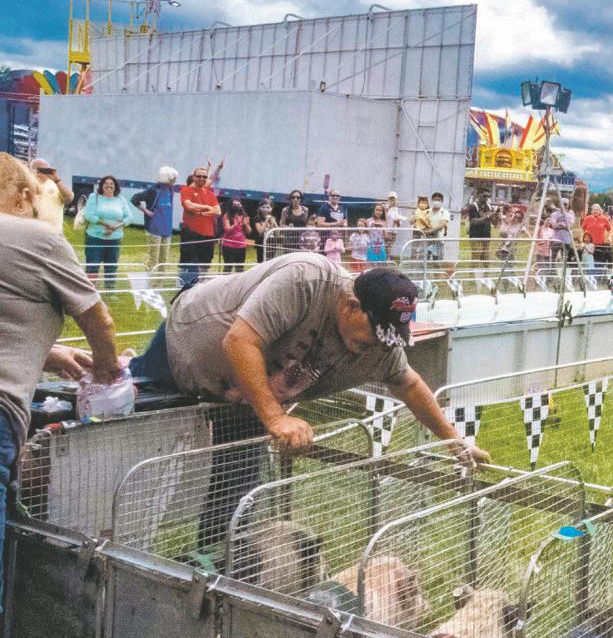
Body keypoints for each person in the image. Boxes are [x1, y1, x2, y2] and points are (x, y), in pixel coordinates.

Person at [127, 256, 489, 557]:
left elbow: (408, 383)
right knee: (132, 456)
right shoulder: (305, 280)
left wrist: (454, 442)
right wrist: (275, 417)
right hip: (183, 350)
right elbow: (239, 340)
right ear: (351, 305)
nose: (379, 348)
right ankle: (121, 555)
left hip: (246, 394)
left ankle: (213, 570)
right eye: (374, 335)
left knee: (238, 484)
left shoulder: (379, 344)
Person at [0, 154, 122, 638]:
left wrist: (46, 354)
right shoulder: (38, 239)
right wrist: (105, 370)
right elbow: (100, 322)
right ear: (24, 195)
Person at [76, 174, 136, 288]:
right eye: (106, 183)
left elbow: (129, 217)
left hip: (114, 239)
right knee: (92, 266)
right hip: (95, 238)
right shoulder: (94, 197)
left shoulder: (120, 199)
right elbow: (89, 215)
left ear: (115, 186)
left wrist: (117, 226)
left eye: (111, 184)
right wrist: (107, 224)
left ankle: (110, 290)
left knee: (111, 266)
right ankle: (90, 289)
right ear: (102, 186)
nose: (109, 186)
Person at [179, 163, 222, 284]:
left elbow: (218, 211)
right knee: (189, 262)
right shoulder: (186, 190)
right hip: (191, 233)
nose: (202, 179)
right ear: (193, 177)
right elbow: (189, 205)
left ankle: (202, 285)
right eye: (199, 176)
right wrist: (207, 207)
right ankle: (185, 285)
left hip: (208, 233)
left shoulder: (209, 193)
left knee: (206, 262)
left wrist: (200, 212)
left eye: (204, 177)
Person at [133, 166, 178, 274]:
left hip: (167, 229)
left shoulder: (170, 191)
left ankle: (159, 282)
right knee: (153, 259)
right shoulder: (153, 190)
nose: (175, 181)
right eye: (174, 178)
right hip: (154, 229)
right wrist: (145, 211)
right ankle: (149, 280)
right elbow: (135, 199)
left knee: (164, 260)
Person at [28, 157, 74, 233]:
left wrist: (57, 181)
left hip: (54, 232)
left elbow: (69, 198)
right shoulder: (26, 185)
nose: (41, 173)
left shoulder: (56, 185)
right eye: (38, 170)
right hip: (33, 232)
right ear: (30, 171)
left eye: (44, 170)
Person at [220, 200, 250, 273]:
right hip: (228, 246)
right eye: (235, 204)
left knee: (240, 268)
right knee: (228, 267)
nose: (237, 206)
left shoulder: (244, 216)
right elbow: (227, 229)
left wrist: (246, 225)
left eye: (238, 204)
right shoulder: (227, 216)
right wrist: (235, 225)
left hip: (241, 246)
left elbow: (249, 231)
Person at [418, 192, 450, 262]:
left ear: (442, 201)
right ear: (432, 200)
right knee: (424, 261)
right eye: (435, 200)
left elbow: (443, 224)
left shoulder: (445, 212)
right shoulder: (426, 212)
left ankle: (437, 268)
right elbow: (421, 223)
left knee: (438, 262)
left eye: (439, 200)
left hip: (438, 240)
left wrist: (430, 231)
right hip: (426, 240)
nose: (437, 201)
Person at [465, 192, 494, 264]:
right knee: (476, 256)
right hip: (476, 236)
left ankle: (485, 271)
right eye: (484, 196)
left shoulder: (489, 206)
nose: (486, 198)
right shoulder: (473, 206)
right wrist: (486, 217)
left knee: (486, 258)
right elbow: (473, 221)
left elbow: (494, 223)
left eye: (488, 196)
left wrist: (496, 215)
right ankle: (473, 271)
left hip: (486, 235)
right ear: (478, 195)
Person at [384, 191, 412, 259]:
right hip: (387, 231)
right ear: (388, 199)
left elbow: (399, 224)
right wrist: (388, 231)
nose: (392, 201)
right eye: (391, 199)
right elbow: (385, 219)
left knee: (390, 246)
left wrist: (397, 222)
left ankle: (387, 260)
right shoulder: (386, 208)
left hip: (394, 231)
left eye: (394, 199)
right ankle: (386, 260)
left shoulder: (397, 209)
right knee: (386, 246)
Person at [253, 197, 278, 264]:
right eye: (263, 207)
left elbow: (277, 231)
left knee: (271, 261)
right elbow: (260, 231)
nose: (265, 209)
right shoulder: (257, 218)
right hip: (261, 242)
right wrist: (266, 220)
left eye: (268, 207)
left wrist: (274, 222)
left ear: (272, 208)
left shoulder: (274, 218)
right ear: (260, 208)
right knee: (261, 261)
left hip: (271, 242)